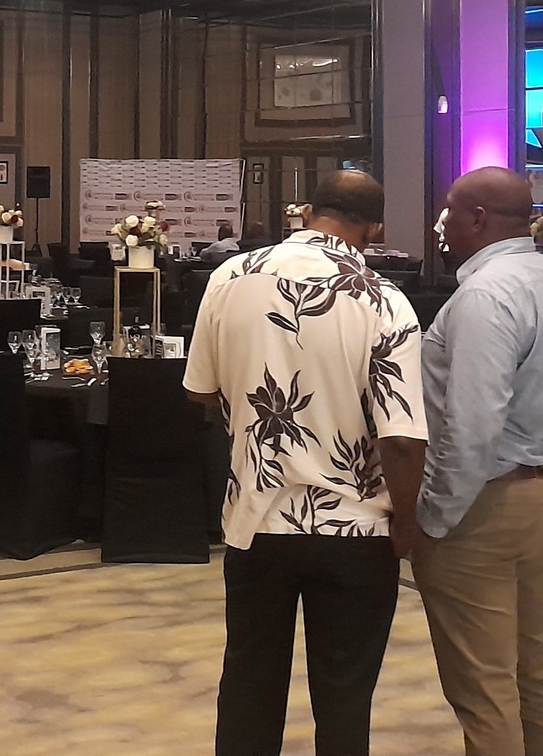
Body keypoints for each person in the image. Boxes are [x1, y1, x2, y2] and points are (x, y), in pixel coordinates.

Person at [184, 170, 428, 756]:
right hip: (354, 529)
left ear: (308, 211)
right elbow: (401, 439)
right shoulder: (383, 299)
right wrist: (407, 521)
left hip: (256, 519)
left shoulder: (230, 277)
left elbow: (199, 391)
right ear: (375, 229)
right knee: (345, 694)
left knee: (249, 682)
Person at [415, 167, 543, 756]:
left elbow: (473, 422)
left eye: (449, 210)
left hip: (482, 505)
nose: (442, 223)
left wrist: (433, 515)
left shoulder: (484, 295)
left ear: (476, 218)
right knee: (533, 659)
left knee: (484, 684)